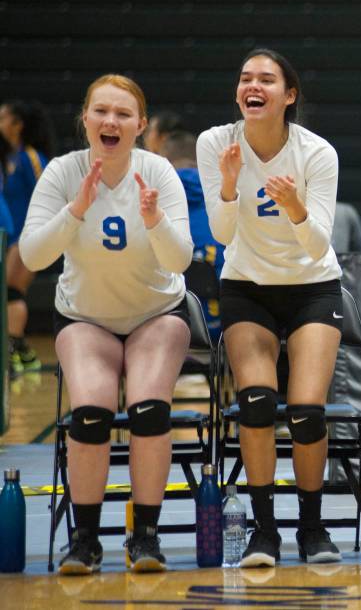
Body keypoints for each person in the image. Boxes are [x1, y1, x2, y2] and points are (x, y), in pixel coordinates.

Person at [20, 75, 193, 574]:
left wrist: (155, 219)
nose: (110, 121)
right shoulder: (63, 172)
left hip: (155, 314)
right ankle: (86, 540)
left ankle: (146, 537)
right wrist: (76, 210)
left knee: (149, 410)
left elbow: (180, 261)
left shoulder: (158, 172)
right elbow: (33, 254)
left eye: (122, 113)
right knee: (90, 413)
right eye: (100, 111)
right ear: (86, 119)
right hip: (86, 318)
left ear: (140, 125)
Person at [197, 49, 344, 568]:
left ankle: (313, 527)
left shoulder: (316, 153)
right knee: (257, 405)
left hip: (312, 288)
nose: (252, 86)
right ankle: (265, 531)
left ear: (289, 95)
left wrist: (296, 207)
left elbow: (317, 245)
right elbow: (220, 234)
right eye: (244, 78)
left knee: (306, 412)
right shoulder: (216, 143)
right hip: (247, 287)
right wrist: (232, 183)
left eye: (265, 79)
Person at [0, 99, 56, 374]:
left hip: (25, 236)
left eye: (2, 118)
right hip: (8, 236)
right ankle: (19, 348)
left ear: (16, 124)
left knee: (12, 290)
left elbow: (48, 195)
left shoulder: (31, 157)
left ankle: (15, 346)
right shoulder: (7, 157)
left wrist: (37, 234)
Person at [161, 130, 226, 340]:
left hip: (169, 329)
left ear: (164, 163)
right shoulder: (228, 197)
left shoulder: (153, 200)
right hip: (225, 328)